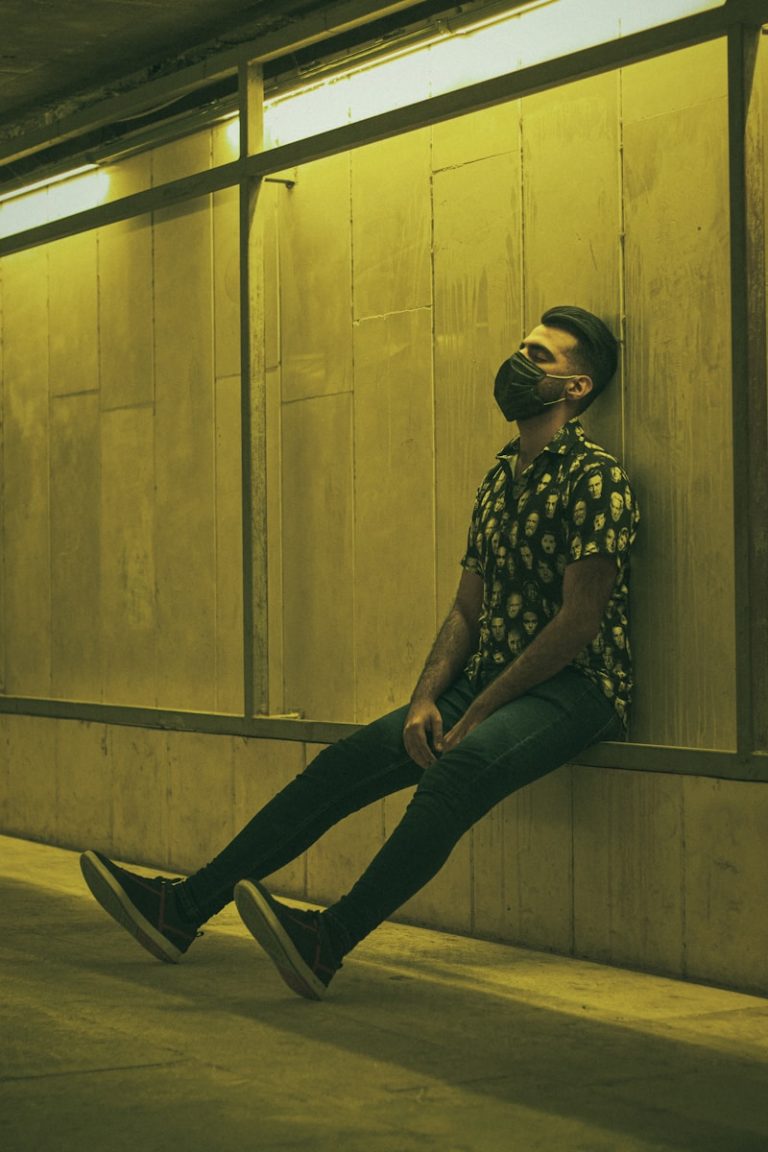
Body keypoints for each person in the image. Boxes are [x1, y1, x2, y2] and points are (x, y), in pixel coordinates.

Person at [81, 304, 639, 1001]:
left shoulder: (597, 479)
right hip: (489, 680)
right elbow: (467, 607)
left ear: (576, 388)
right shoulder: (501, 477)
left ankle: (326, 942)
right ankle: (183, 910)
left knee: (456, 773)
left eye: (540, 356)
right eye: (520, 348)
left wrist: (478, 712)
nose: (519, 364)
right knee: (346, 763)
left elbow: (578, 623)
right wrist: (427, 699)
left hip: (575, 688)